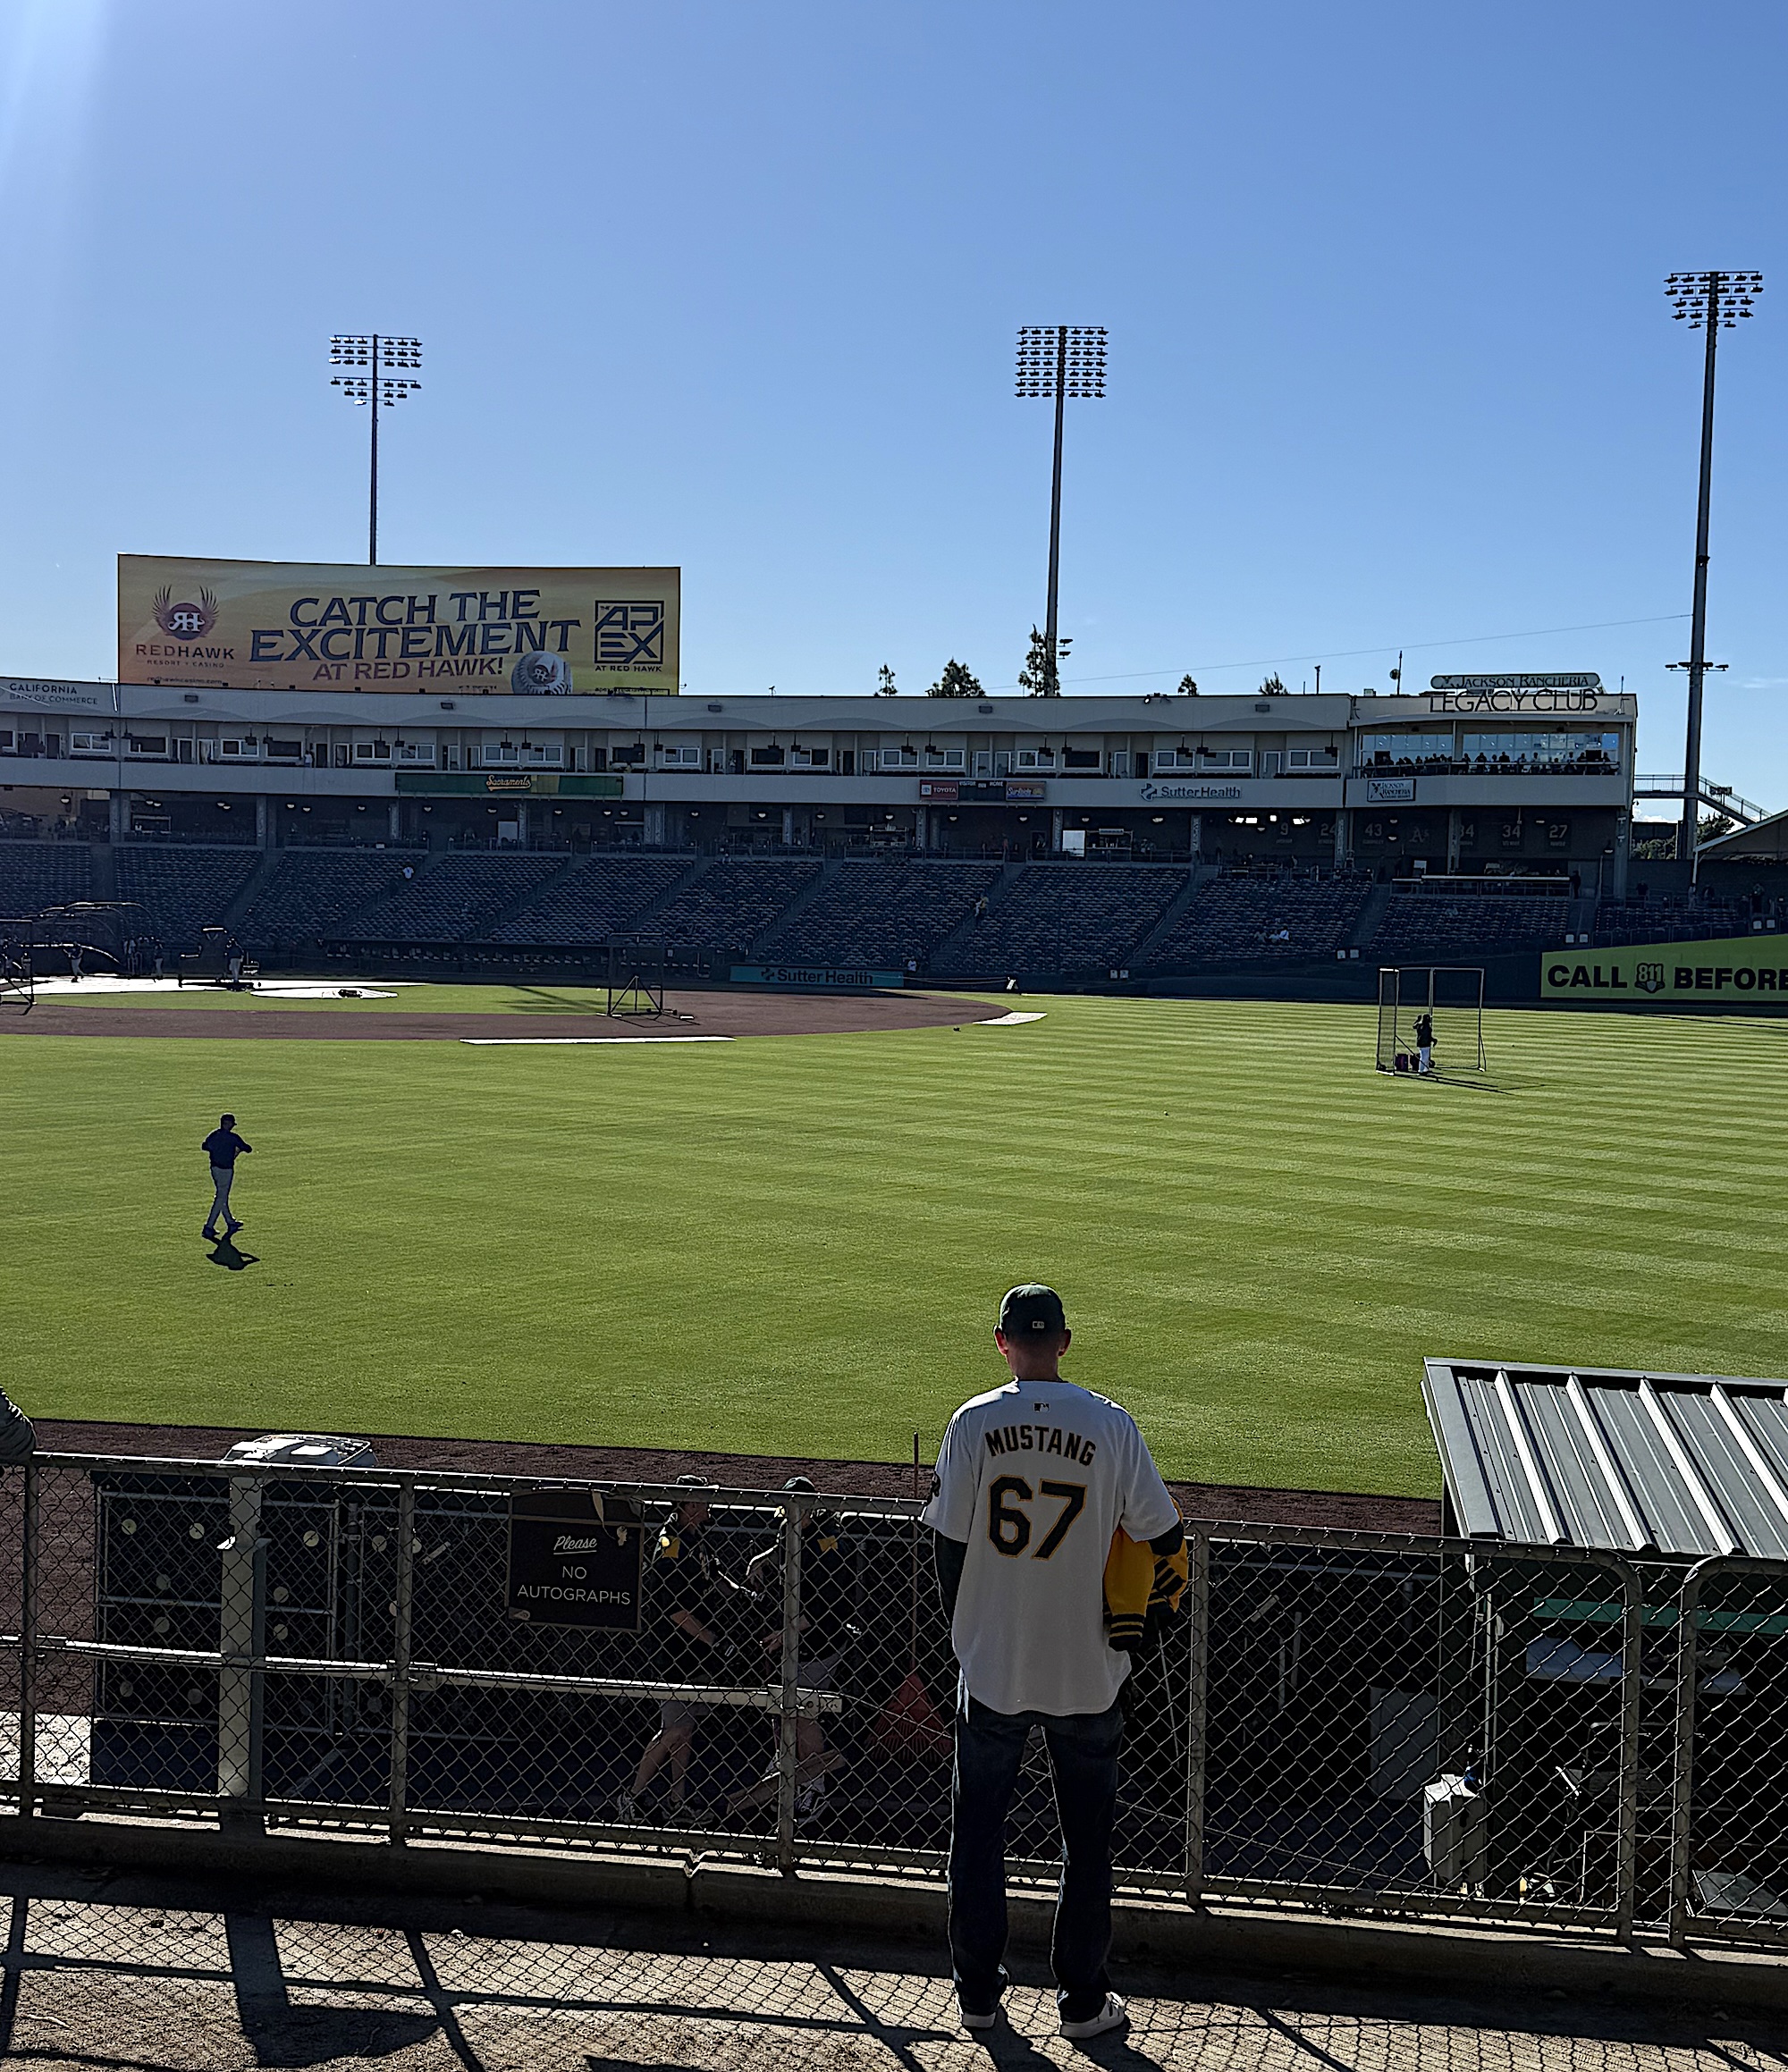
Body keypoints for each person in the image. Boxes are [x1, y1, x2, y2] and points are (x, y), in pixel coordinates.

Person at [924, 1284, 1184, 2043]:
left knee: (977, 1836)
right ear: (1065, 1342)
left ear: (1001, 1342)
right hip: (1088, 1668)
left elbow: (947, 1545)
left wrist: (968, 1632)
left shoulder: (973, 1421)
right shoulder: (1110, 1423)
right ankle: (1080, 2004)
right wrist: (1148, 1626)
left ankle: (977, 1996)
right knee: (1088, 1842)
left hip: (994, 1666)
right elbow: (1165, 1538)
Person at [727, 1476, 853, 1823]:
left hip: (818, 1643)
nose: (786, 1512)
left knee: (803, 1712)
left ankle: (814, 1785)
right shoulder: (790, 1526)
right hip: (792, 1641)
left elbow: (828, 1606)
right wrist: (762, 1559)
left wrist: (786, 1633)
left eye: (792, 1506)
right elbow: (781, 1550)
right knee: (782, 1705)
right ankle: (786, 1759)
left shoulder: (827, 1542)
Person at [620, 1474, 735, 1824]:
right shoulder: (670, 1544)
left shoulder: (694, 1537)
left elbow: (713, 1574)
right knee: (675, 1729)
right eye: (702, 1500)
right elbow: (674, 1609)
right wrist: (712, 1640)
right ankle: (632, 1797)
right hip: (673, 1653)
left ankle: (675, 1801)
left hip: (692, 1653)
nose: (708, 1505)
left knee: (685, 1729)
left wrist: (740, 1589)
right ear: (688, 1506)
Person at [200, 1113, 252, 1241]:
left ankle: (230, 1221)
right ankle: (209, 1226)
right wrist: (236, 1150)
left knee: (222, 1195)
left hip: (214, 1168)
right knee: (221, 1197)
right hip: (226, 1169)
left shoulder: (214, 1135)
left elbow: (205, 1146)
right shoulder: (233, 1138)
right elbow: (248, 1148)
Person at [1413, 1010, 1435, 1076]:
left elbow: (1414, 1026)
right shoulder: (1426, 1026)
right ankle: (1421, 1070)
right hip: (1424, 1043)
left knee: (1425, 1057)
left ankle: (1425, 1070)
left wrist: (1417, 1020)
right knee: (1424, 1058)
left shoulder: (1420, 1025)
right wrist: (1433, 1040)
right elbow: (1427, 1036)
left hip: (1423, 1043)